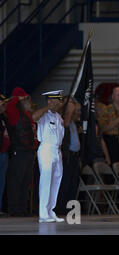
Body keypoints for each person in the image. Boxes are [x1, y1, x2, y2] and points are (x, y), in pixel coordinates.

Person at [5, 87, 38, 217]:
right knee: (16, 181)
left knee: (25, 182)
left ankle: (22, 208)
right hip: (19, 151)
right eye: (25, 98)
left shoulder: (26, 114)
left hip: (28, 151)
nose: (28, 100)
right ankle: (14, 208)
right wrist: (16, 98)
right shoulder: (14, 113)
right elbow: (9, 106)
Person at [36, 90, 65, 223]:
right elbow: (33, 117)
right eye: (56, 100)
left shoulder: (59, 117)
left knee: (56, 180)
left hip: (57, 150)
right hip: (46, 149)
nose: (59, 103)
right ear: (49, 101)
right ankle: (43, 213)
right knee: (46, 181)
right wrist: (47, 107)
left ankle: (50, 210)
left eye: (59, 101)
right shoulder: (44, 114)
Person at [55, 98, 81, 215]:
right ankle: (61, 208)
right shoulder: (61, 119)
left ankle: (71, 208)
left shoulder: (74, 122)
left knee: (73, 183)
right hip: (66, 155)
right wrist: (68, 110)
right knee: (65, 183)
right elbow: (64, 124)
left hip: (75, 156)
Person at [98, 86, 119, 164]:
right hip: (111, 140)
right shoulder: (106, 110)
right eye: (118, 94)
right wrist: (117, 121)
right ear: (113, 96)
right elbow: (102, 129)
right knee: (113, 163)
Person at [0, 94, 11, 216]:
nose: (4, 106)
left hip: (4, 153)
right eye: (2, 103)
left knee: (2, 182)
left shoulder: (4, 117)